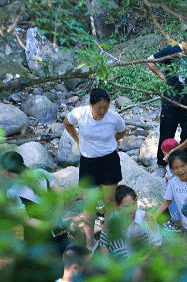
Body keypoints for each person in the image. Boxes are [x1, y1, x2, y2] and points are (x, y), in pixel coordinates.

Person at [64, 88, 126, 250]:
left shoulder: (114, 117)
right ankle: (89, 241)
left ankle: (107, 239)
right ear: (91, 105)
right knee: (89, 204)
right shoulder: (80, 114)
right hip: (88, 163)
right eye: (99, 107)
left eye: (106, 107)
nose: (103, 111)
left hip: (109, 161)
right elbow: (67, 123)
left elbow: (122, 131)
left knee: (110, 202)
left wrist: (110, 141)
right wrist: (77, 140)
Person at [145, 30, 187, 175]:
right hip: (170, 100)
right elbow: (150, 60)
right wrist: (163, 77)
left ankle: (181, 165)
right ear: (182, 40)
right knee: (166, 133)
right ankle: (162, 165)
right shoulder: (171, 51)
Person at [1, 150, 66, 250]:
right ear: (23, 163)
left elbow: (26, 220)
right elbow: (60, 195)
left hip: (37, 238)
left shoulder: (12, 192)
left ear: (6, 173)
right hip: (59, 228)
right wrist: (56, 218)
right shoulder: (41, 173)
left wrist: (47, 226)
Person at [99, 185, 162, 259]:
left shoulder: (146, 218)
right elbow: (103, 244)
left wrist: (142, 260)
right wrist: (108, 265)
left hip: (141, 261)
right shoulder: (112, 220)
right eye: (126, 206)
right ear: (118, 206)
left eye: (133, 204)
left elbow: (156, 243)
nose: (131, 209)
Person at [159, 138, 182, 232]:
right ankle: (174, 221)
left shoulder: (176, 164)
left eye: (165, 154)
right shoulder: (173, 162)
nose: (164, 156)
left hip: (174, 190)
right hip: (170, 187)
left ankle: (177, 225)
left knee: (174, 206)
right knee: (171, 207)